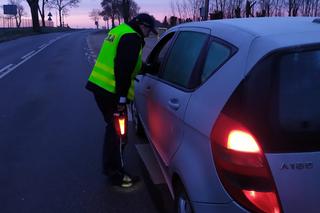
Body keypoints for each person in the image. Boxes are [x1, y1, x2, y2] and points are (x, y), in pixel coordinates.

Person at [86, 13, 157, 188]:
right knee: (118, 132)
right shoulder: (133, 38)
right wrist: (121, 99)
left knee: (114, 128)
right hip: (111, 92)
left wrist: (147, 67)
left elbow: (128, 62)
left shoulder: (121, 30)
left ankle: (111, 167)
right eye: (149, 30)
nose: (149, 34)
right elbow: (123, 71)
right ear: (142, 25)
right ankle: (116, 173)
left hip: (101, 87)